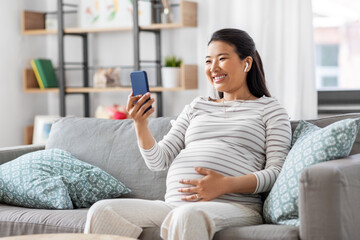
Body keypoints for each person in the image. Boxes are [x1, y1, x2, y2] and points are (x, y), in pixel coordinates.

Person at [84, 28, 292, 240]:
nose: (213, 68)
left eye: (222, 59)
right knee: (102, 211)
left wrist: (225, 185)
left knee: (186, 216)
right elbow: (158, 160)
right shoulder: (197, 106)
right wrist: (140, 123)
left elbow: (276, 171)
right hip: (174, 205)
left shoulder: (270, 109)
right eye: (208, 61)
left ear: (246, 63)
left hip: (234, 205)